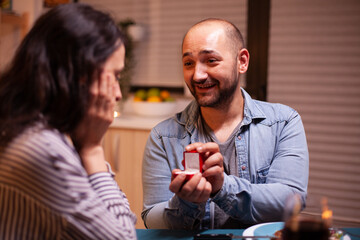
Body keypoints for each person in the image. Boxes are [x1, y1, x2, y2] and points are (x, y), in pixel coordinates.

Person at [141, 18, 309, 229]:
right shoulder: (163, 137)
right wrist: (185, 203)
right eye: (188, 63)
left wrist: (222, 187)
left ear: (242, 61)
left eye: (211, 60)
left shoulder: (283, 122)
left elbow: (291, 201)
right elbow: (151, 220)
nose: (198, 75)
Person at [0, 3, 137, 239]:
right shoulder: (43, 149)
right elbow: (122, 236)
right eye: (113, 76)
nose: (117, 93)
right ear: (77, 75)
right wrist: (93, 149)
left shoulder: (27, 125)